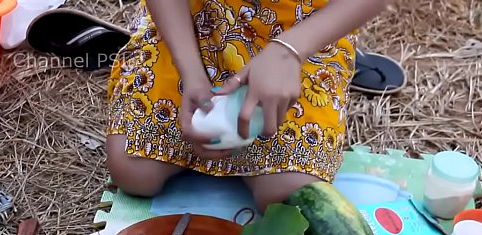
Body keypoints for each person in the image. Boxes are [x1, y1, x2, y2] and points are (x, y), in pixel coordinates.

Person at [105, 0, 391, 213]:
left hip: (304, 31)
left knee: (289, 197)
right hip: (198, 18)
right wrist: (190, 70)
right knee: (133, 170)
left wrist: (289, 51)